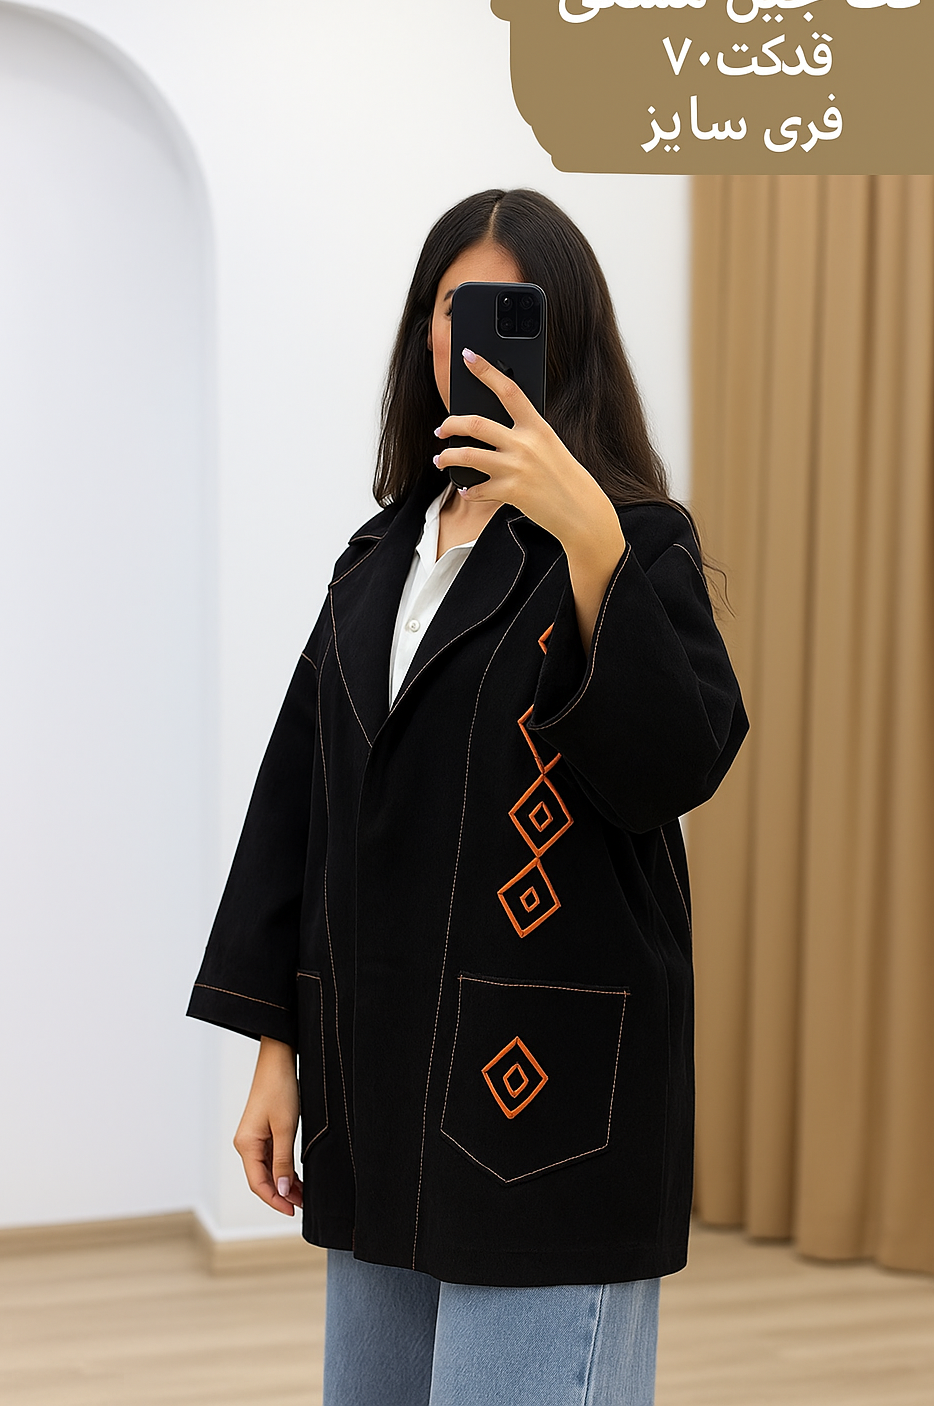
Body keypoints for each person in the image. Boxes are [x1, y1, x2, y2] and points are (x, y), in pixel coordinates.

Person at [187, 187, 747, 1405]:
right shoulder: (374, 560)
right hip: (375, 1088)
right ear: (425, 334)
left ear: (565, 334)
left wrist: (588, 535)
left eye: (509, 307)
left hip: (545, 1104)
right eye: (453, 304)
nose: (473, 332)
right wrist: (278, 1050)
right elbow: (301, 809)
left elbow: (675, 768)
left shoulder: (631, 540)